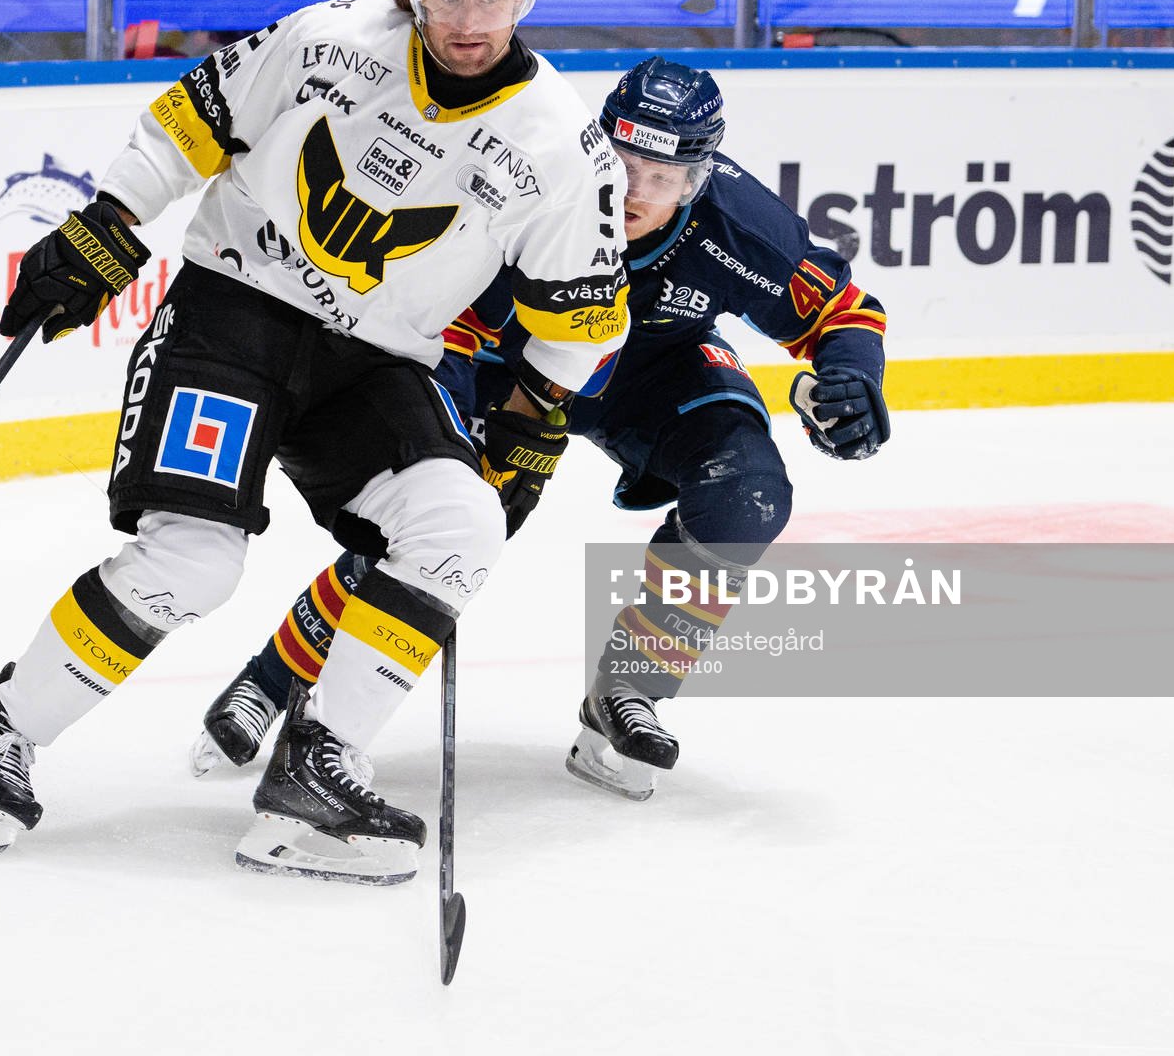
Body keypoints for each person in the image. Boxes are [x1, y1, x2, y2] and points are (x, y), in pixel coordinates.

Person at [0, 0, 629, 885]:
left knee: (461, 521)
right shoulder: (326, 38)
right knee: (195, 561)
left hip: (374, 363)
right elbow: (188, 120)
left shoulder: (561, 143)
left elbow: (575, 320)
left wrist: (529, 423)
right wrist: (107, 223)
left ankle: (316, 764)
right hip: (235, 314)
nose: (471, 19)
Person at [190, 57, 890, 803]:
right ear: (598, 144)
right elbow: (445, 330)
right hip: (512, 372)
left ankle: (629, 689)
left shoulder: (742, 226)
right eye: (625, 166)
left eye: (663, 177)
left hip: (656, 370)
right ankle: (273, 680)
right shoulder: (529, 189)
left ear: (698, 179)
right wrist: (462, 443)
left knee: (747, 493)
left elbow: (843, 311)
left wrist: (855, 376)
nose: (637, 193)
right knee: (440, 523)